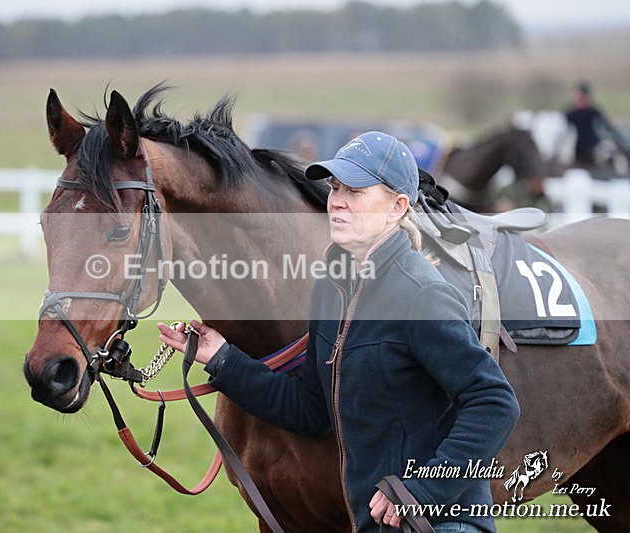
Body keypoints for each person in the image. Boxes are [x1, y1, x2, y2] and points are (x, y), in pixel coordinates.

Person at [158, 131, 521, 532]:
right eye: (335, 187)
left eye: (356, 190)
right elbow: (311, 411)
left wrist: (425, 490)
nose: (337, 201)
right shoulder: (331, 289)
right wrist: (223, 358)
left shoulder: (421, 295)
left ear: (397, 207)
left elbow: (494, 402)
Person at [563, 81, 629, 170]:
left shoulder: (593, 112)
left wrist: (619, 139)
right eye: (579, 97)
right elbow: (563, 130)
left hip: (593, 146)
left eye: (582, 97)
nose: (580, 99)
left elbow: (607, 126)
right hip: (577, 150)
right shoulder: (571, 113)